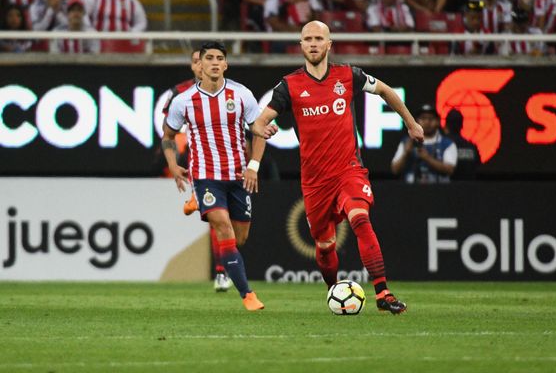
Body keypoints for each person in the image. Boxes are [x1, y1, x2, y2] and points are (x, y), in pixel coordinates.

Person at [252, 20, 424, 315]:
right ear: (301, 45)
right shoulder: (289, 85)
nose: (314, 43)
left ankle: (383, 292)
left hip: (349, 170)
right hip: (315, 181)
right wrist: (260, 128)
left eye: (319, 38)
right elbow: (259, 119)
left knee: (360, 219)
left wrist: (411, 122)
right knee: (325, 245)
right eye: (308, 39)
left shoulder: (349, 75)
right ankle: (333, 290)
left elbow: (385, 90)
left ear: (329, 44)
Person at [162, 41, 266, 311]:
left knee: (238, 238)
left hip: (237, 175)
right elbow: (168, 137)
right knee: (223, 228)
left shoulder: (241, 94)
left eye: (220, 57)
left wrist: (253, 165)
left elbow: (259, 130)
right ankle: (248, 295)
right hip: (206, 175)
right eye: (209, 58)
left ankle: (197, 201)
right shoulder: (183, 101)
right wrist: (173, 165)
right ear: (201, 64)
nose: (215, 62)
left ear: (226, 64)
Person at [159, 49, 234, 293]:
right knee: (217, 218)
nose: (202, 65)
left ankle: (197, 200)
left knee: (224, 221)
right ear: (194, 66)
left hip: (225, 160)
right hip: (198, 159)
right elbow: (168, 129)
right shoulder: (180, 94)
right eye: (196, 62)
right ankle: (222, 272)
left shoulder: (231, 92)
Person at [391, 104, 457, 183]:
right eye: (423, 118)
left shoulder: (447, 144)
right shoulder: (406, 142)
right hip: (411, 191)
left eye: (431, 119)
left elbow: (450, 170)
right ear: (416, 121)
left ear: (438, 121)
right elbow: (395, 170)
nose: (427, 122)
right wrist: (406, 153)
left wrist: (427, 158)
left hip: (439, 191)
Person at [443, 109, 480, 180]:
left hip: (447, 189)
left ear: (446, 125)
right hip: (468, 188)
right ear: (462, 125)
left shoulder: (442, 145)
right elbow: (477, 167)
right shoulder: (471, 147)